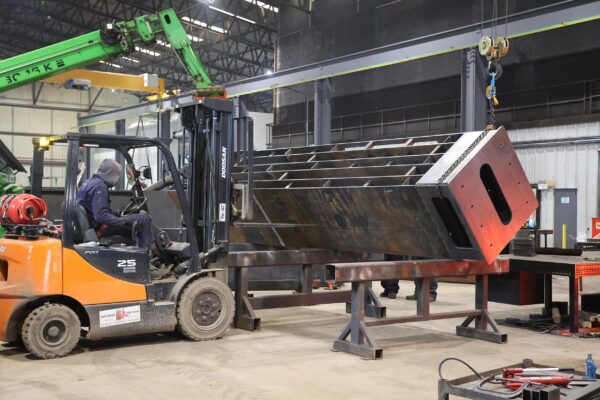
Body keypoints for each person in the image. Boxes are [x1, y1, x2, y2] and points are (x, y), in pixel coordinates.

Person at [76, 159, 153, 248]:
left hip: (92, 224)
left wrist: (117, 213)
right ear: (110, 174)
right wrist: (122, 220)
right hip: (99, 228)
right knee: (143, 220)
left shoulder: (89, 182)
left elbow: (94, 210)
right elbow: (101, 216)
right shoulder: (100, 186)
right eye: (117, 175)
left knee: (134, 219)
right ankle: (145, 253)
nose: (117, 179)